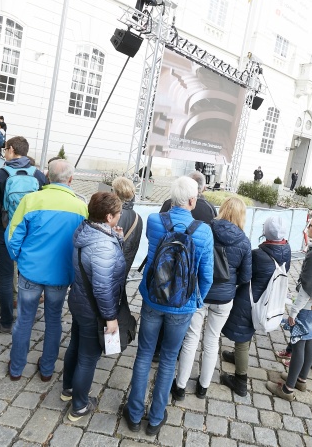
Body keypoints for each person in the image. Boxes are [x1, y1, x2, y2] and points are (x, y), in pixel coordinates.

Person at [124, 176, 213, 436]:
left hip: (153, 298)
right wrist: (195, 300)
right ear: (193, 201)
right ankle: (155, 418)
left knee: (143, 354)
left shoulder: (155, 221)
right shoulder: (204, 231)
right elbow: (206, 275)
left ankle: (133, 413)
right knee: (169, 359)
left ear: (171, 199)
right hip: (182, 306)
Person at [6, 160, 88, 384]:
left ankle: (16, 368)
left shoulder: (31, 200)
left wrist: (19, 259)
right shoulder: (80, 206)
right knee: (54, 320)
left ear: (47, 177)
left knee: (24, 319)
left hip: (30, 271)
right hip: (60, 275)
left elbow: (13, 237)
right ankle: (47, 369)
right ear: (70, 180)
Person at [173, 196, 251, 400]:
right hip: (224, 299)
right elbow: (245, 276)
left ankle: (180, 386)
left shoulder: (206, 230)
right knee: (212, 340)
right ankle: (203, 387)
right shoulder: (244, 241)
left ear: (222, 209)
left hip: (200, 292)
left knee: (191, 338)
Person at [63, 191, 124, 421]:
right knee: (88, 356)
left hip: (79, 301)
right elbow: (102, 287)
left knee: (75, 346)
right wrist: (110, 317)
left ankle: (68, 389)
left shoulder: (86, 230)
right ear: (109, 217)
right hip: (93, 310)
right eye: (117, 214)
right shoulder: (103, 247)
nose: (119, 218)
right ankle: (79, 405)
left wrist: (116, 237)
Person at [267, 215, 312, 400]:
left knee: (298, 343)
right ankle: (300, 379)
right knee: (309, 340)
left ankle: (288, 389)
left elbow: (307, 289)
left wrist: (294, 311)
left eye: (311, 225)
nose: (308, 227)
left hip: (309, 307)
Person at [0, 136, 49, 333]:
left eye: (5, 149)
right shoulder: (38, 176)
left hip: (5, 230)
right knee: (26, 274)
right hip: (30, 232)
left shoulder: (0, 175)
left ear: (11, 150)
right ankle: (28, 314)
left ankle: (5, 321)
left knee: (5, 276)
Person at [220, 216, 291, 396]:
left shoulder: (259, 254)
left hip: (250, 299)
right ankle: (237, 357)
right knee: (246, 335)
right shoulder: (287, 249)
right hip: (267, 299)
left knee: (242, 338)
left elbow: (245, 276)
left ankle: (240, 382)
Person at [112, 177, 144, 274]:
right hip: (124, 267)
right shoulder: (138, 218)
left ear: (116, 193)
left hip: (110, 268)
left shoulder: (112, 215)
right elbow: (134, 247)